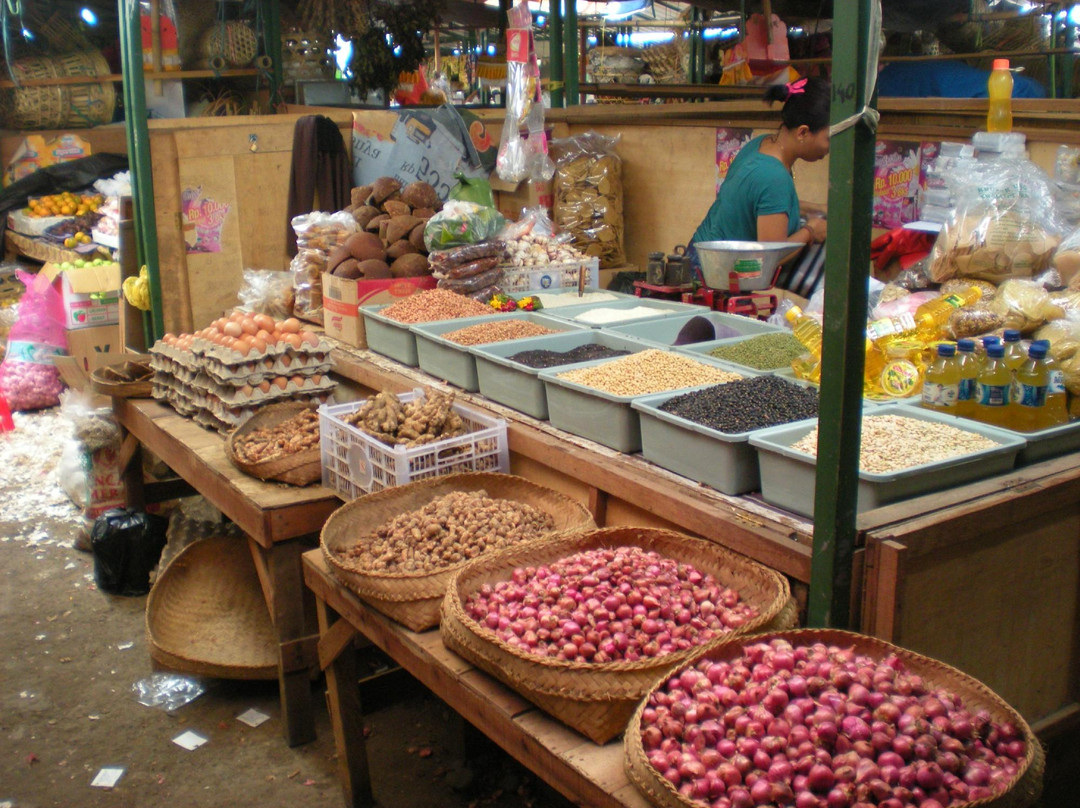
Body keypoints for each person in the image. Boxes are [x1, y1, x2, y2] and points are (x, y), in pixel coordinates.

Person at [687, 76, 831, 275]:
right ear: (802, 133)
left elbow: (767, 205)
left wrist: (817, 209)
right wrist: (811, 231)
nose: (830, 147)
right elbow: (769, 256)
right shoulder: (774, 177)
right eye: (828, 139)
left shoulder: (763, 144)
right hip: (713, 274)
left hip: (701, 257)